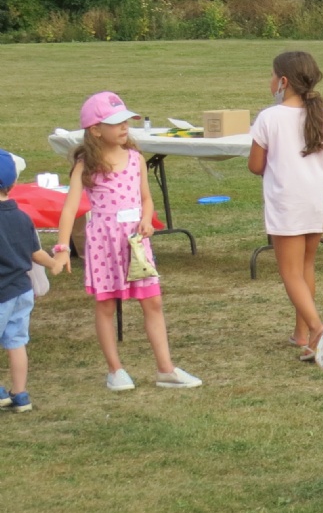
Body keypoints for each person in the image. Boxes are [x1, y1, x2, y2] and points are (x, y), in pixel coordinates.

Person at [49, 93, 202, 392]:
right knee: (106, 304)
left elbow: (146, 198)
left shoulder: (136, 159)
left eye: (126, 122)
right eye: (116, 122)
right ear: (96, 130)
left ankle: (166, 369)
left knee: (153, 301)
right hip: (104, 242)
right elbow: (69, 208)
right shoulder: (86, 165)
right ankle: (115, 370)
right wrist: (62, 248)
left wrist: (147, 219)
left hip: (135, 242)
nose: (124, 127)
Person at [248, 51, 323, 360]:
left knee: (290, 272)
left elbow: (255, 165)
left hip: (287, 203)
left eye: (272, 75)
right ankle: (301, 333)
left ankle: (316, 330)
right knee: (305, 267)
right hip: (318, 200)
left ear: (284, 81)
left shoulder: (269, 117)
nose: (270, 81)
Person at [0, 149, 64, 413]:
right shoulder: (22, 217)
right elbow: (35, 253)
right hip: (21, 292)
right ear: (14, 183)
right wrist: (55, 263)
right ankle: (20, 394)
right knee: (16, 342)